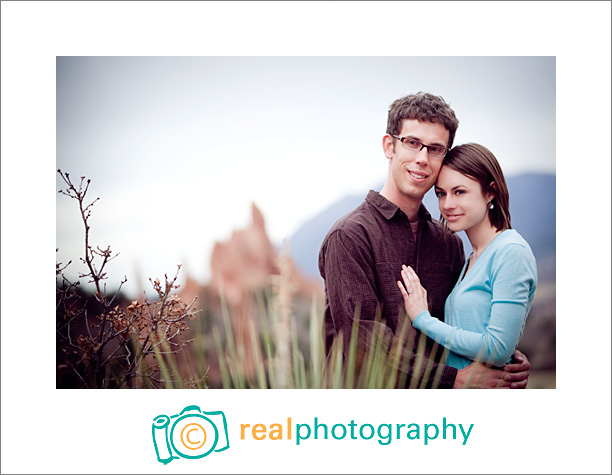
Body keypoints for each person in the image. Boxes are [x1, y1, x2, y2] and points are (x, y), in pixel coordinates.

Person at [318, 92, 530, 388]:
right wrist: (453, 380)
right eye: (412, 143)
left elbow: (456, 324)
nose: (422, 158)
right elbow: (363, 341)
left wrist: (500, 357)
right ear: (389, 145)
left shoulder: (448, 242)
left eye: (435, 148)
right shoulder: (350, 236)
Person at [397, 143, 537, 371]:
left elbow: (497, 349)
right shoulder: (473, 257)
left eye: (459, 191)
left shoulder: (511, 252)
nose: (448, 205)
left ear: (490, 192)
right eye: (441, 194)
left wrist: (423, 319)